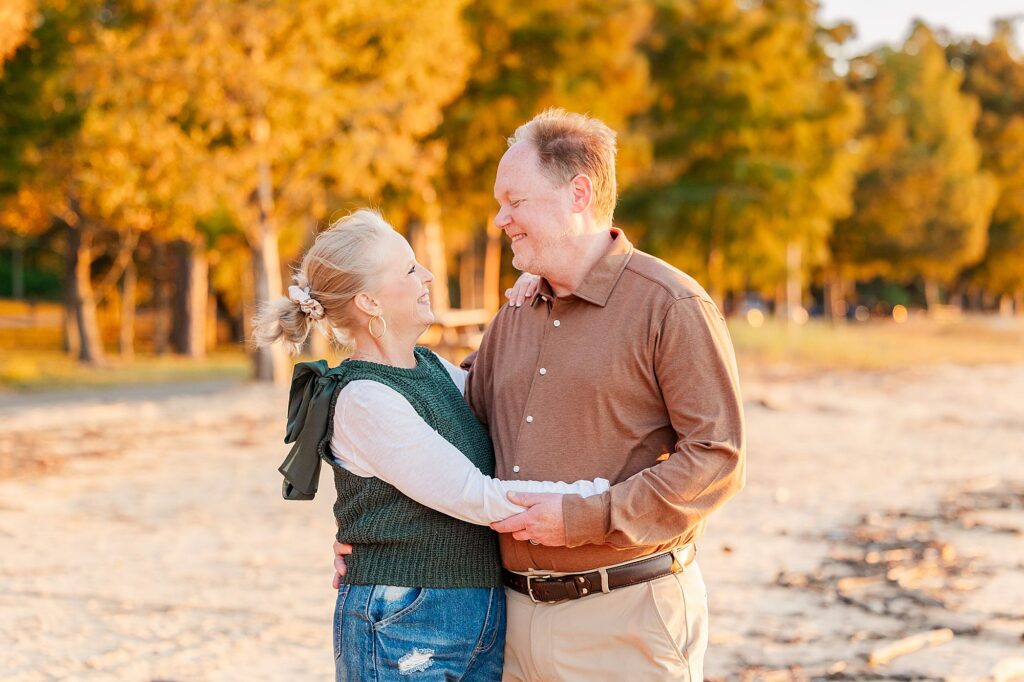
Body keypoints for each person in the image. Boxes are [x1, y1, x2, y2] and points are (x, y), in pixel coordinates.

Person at [333, 110, 746, 681]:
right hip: (509, 625)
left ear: (578, 194)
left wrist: (587, 517)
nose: (500, 218)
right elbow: (455, 427)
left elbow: (717, 457)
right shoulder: (517, 311)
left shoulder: (669, 305)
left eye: (514, 201)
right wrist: (375, 535)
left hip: (626, 618)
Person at [255, 208, 609, 682]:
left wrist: (530, 294)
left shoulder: (431, 368)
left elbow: (513, 402)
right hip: (405, 619)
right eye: (408, 269)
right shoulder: (364, 399)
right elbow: (476, 495)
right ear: (369, 302)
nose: (428, 275)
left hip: (475, 613)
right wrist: (598, 495)